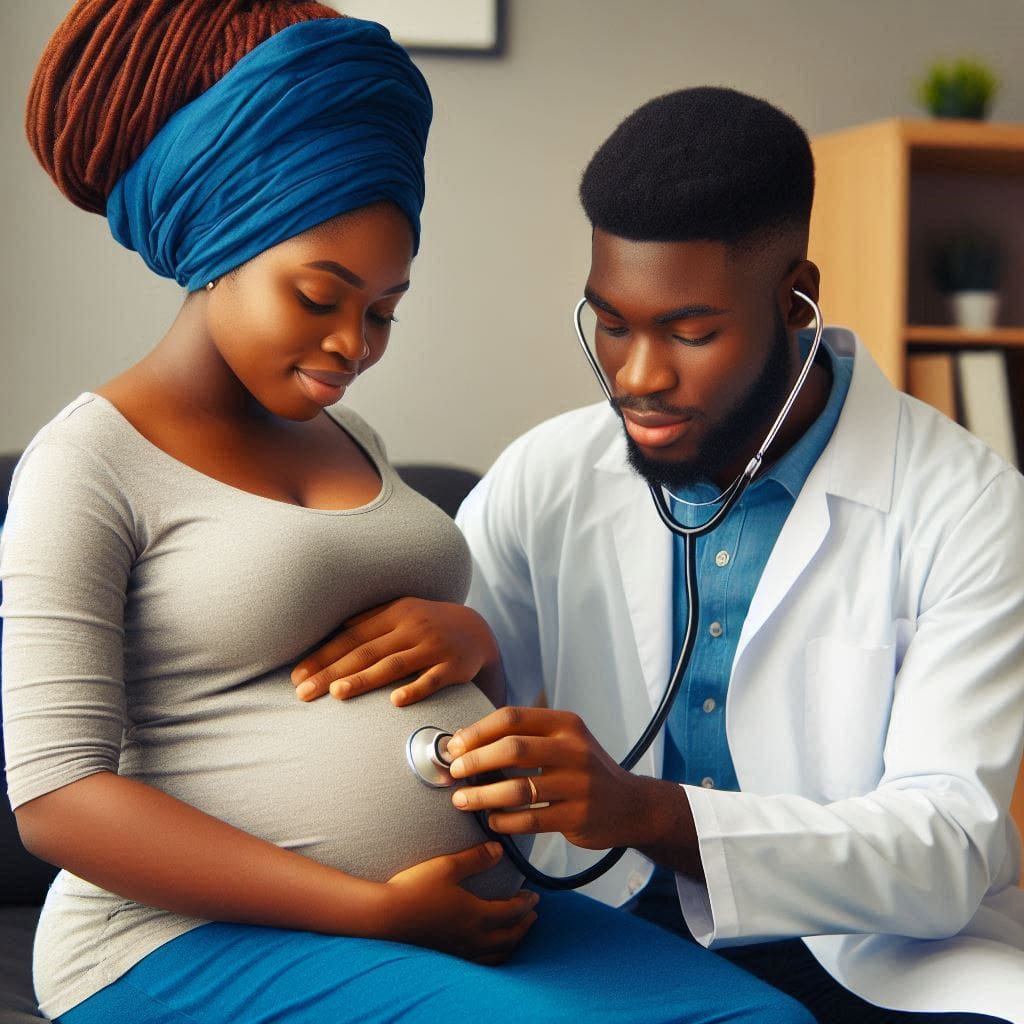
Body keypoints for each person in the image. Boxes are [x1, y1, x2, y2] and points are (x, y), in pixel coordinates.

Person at [0, 6, 816, 1024]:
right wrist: (370, 911)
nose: (354, 345)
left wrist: (471, 641)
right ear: (219, 245)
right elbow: (55, 799)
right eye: (319, 295)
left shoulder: (349, 440)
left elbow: (454, 684)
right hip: (175, 942)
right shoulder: (87, 462)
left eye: (382, 309)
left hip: (459, 905)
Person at [297, 88, 1024, 1021]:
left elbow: (945, 850)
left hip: (880, 949)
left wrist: (645, 810)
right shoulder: (549, 473)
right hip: (601, 916)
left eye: (691, 332)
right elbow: (450, 707)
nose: (637, 378)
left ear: (796, 297)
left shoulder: (966, 504)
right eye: (613, 323)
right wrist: (464, 642)